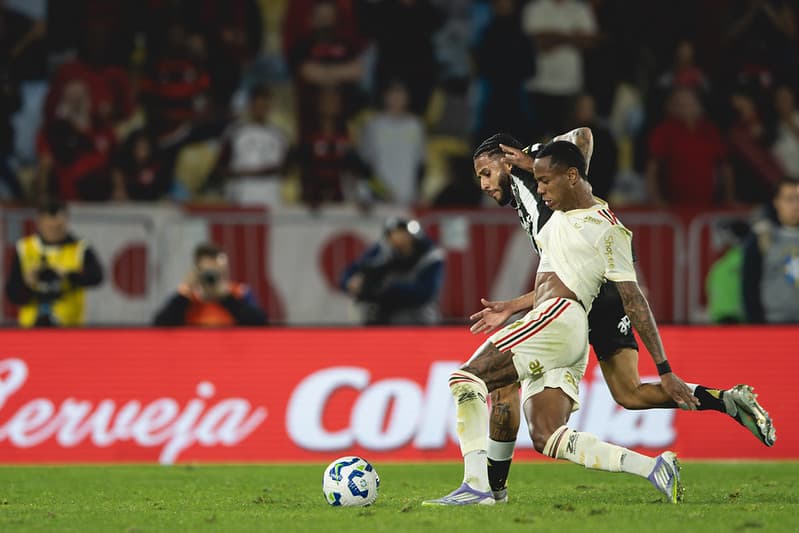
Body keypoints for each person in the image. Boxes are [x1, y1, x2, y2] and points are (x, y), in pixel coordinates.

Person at [424, 139, 745, 507]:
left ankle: (477, 487)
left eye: (485, 172)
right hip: (566, 324)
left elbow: (634, 299)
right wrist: (514, 304)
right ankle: (653, 468)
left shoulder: (598, 223)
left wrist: (531, 163)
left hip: (558, 316)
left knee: (466, 378)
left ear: (567, 176)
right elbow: (563, 273)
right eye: (540, 182)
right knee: (546, 435)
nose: (542, 188)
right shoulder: (556, 213)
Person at [5, 200, 103, 327]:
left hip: (70, 327)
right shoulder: (24, 248)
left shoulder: (80, 248)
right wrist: (28, 283)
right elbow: (13, 295)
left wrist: (68, 275)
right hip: (30, 328)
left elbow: (97, 277)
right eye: (50, 227)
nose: (54, 231)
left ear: (66, 221)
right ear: (39, 223)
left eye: (59, 227)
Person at [340, 218, 445, 325]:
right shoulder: (382, 250)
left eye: (403, 233)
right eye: (394, 233)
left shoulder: (430, 256)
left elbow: (425, 292)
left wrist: (385, 290)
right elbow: (354, 270)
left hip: (418, 317)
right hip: (382, 315)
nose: (398, 238)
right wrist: (351, 281)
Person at [153, 243, 267, 327]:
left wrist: (226, 297)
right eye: (207, 272)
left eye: (217, 272)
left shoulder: (240, 293)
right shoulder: (186, 297)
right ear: (197, 271)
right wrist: (184, 293)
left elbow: (260, 323)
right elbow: (160, 324)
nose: (212, 277)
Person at [358, 80, 426, 206]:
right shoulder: (374, 125)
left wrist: (419, 193)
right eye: (392, 92)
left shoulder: (415, 126)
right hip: (379, 200)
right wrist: (380, 191)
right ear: (385, 96)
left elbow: (420, 164)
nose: (396, 97)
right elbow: (365, 166)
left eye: (400, 92)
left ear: (407, 97)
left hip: (408, 200)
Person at [742, 177, 799, 323]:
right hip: (773, 324)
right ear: (777, 202)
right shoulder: (763, 237)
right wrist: (755, 323)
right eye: (789, 199)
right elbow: (749, 284)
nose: (795, 205)